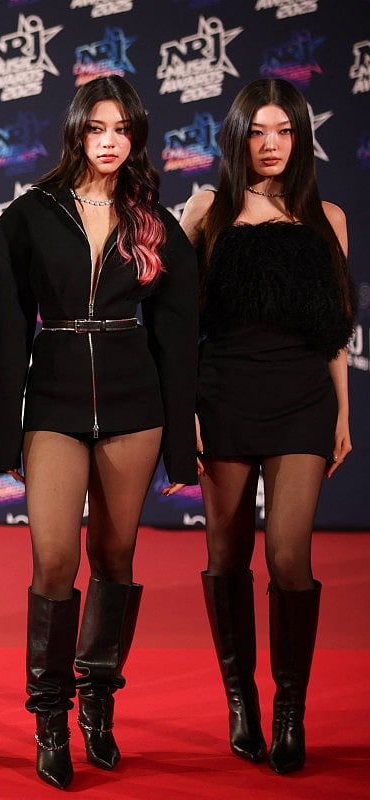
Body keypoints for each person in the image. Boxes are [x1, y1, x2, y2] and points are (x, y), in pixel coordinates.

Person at [0, 76, 198, 790]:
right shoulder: (28, 216)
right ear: (76, 131)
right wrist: (2, 436)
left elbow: (176, 338)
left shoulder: (152, 221)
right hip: (54, 401)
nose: (109, 141)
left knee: (114, 556)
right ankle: (49, 718)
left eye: (122, 129)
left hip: (136, 402)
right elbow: (7, 331)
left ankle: (98, 706)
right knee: (53, 562)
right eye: (97, 127)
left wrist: (181, 446)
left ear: (135, 137)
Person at [179, 78, 353, 775]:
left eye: (284, 130)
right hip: (222, 394)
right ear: (238, 137)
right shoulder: (206, 211)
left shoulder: (328, 217)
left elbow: (336, 328)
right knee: (227, 555)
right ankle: (240, 701)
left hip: (302, 399)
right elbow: (176, 321)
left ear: (300, 136)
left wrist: (342, 412)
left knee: (287, 556)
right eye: (259, 131)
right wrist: (183, 407)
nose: (272, 144)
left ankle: (289, 708)